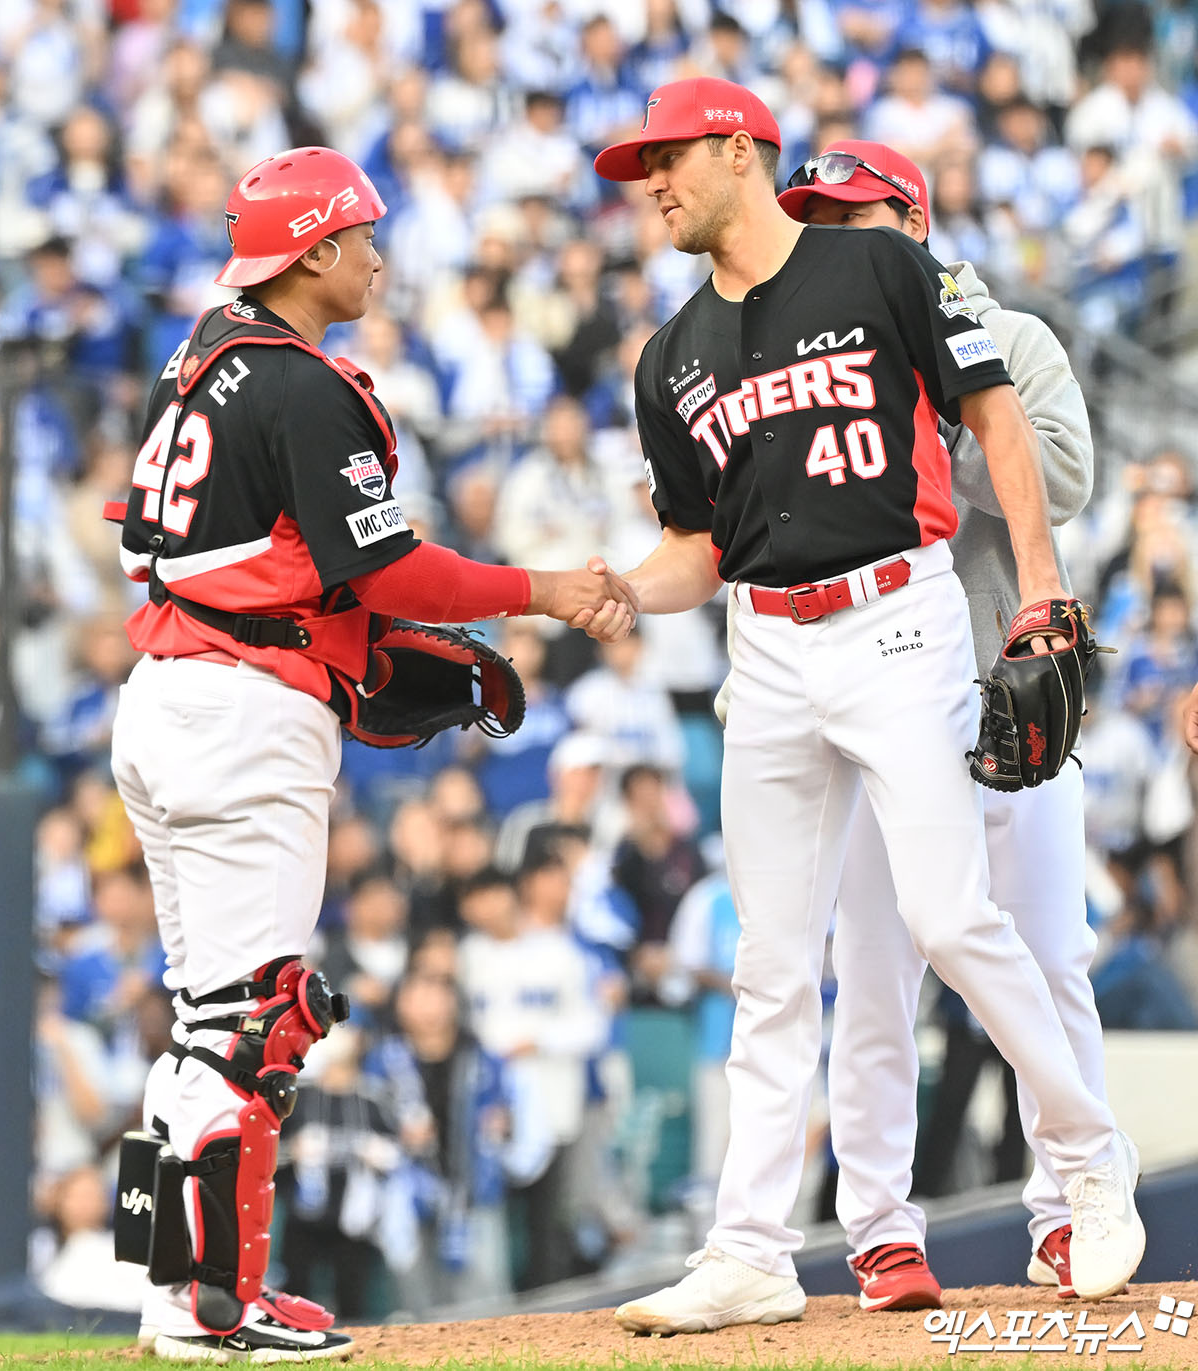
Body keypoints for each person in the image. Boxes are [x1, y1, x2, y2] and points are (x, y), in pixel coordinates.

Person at [582, 76, 1144, 1334]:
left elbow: (1006, 423)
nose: (650, 183)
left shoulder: (887, 278)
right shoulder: (672, 352)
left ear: (739, 149)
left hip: (901, 618)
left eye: (667, 158)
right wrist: (621, 586)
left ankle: (1090, 1162)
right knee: (777, 966)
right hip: (766, 649)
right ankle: (752, 1248)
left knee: (956, 921)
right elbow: (697, 545)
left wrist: (1043, 594)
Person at [108, 145, 635, 1362]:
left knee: (204, 1022)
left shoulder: (196, 358)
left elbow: (200, 553)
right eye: (360, 236)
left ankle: (170, 1298)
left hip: (171, 689)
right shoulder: (300, 384)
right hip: (243, 713)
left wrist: (354, 641)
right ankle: (215, 1308)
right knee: (255, 1024)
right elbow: (385, 564)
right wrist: (539, 590)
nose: (380, 258)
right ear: (315, 252)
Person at [772, 140, 1111, 1309]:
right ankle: (878, 1229)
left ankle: (1069, 1209)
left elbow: (1062, 482)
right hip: (877, 704)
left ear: (911, 222)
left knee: (1050, 956)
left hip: (1007, 690)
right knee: (875, 972)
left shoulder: (1009, 337)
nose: (831, 237)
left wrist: (943, 403)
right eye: (815, 220)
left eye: (853, 216)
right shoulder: (805, 364)